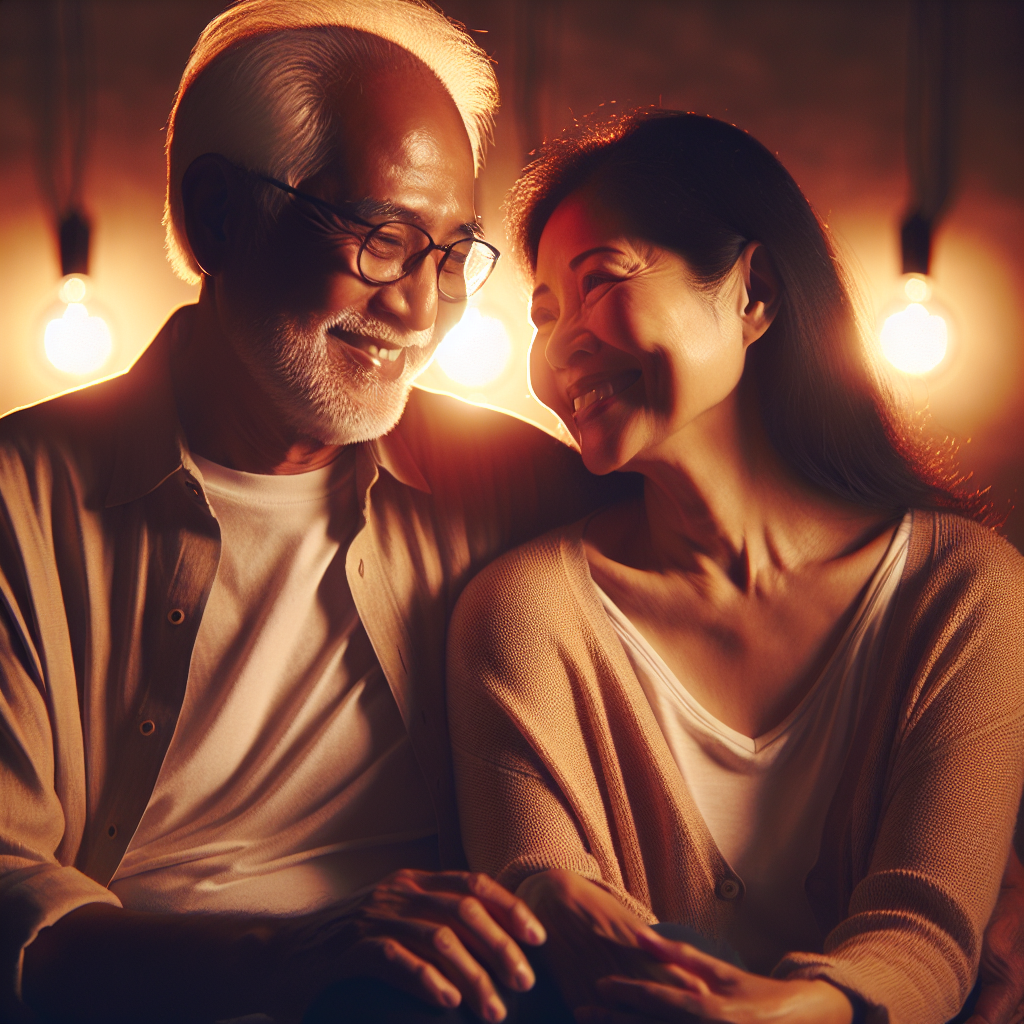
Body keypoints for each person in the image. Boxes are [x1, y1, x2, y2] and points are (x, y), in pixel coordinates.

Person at [0, 3, 620, 1021]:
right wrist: (291, 953)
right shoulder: (19, 506)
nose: (420, 309)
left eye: (452, 253)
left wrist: (972, 872)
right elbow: (13, 913)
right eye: (381, 238)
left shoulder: (523, 488)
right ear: (219, 220)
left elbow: (797, 599)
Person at [447, 110, 1024, 1024]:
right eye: (545, 314)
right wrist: (552, 903)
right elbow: (537, 888)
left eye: (599, 282)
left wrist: (790, 1011)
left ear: (753, 293)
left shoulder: (963, 589)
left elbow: (930, 924)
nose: (559, 345)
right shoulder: (522, 611)